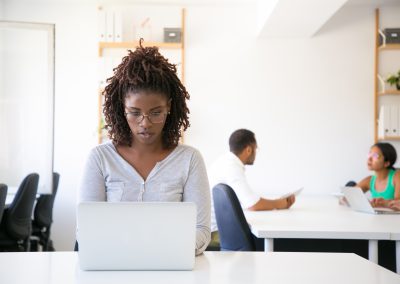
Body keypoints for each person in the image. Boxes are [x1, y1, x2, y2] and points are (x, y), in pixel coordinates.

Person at [78, 40, 211, 255]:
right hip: (114, 268)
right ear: (122, 109)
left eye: (156, 112)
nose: (145, 123)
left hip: (170, 268)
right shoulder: (100, 159)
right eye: (135, 112)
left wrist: (151, 249)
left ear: (169, 107)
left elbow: (201, 232)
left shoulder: (190, 160)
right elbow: (85, 232)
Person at [208, 129, 295, 248]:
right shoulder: (232, 167)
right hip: (218, 233)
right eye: (256, 148)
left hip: (219, 228)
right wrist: (281, 204)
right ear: (249, 149)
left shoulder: (224, 162)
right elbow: (253, 204)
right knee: (275, 243)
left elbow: (247, 201)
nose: (256, 152)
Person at [353, 142, 400, 208]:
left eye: (375, 156)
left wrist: (386, 203)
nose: (369, 159)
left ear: (386, 163)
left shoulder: (397, 176)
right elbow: (350, 194)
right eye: (370, 154)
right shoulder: (369, 180)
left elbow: (398, 204)